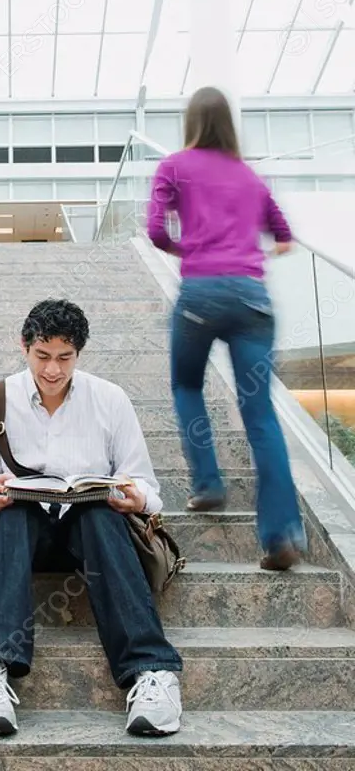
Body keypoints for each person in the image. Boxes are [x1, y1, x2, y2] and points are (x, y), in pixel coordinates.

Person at [0, 298, 183, 738]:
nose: (53, 370)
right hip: (24, 535)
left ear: (79, 354)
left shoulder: (110, 399)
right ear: (24, 347)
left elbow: (144, 484)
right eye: (42, 356)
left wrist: (133, 496)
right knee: (16, 511)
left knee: (99, 514)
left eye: (65, 358)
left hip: (93, 536)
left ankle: (152, 672)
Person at [147, 85, 306, 571]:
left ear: (191, 121)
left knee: (186, 383)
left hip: (201, 295)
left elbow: (155, 230)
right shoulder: (249, 177)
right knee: (260, 416)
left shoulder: (174, 165)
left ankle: (209, 483)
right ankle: (280, 534)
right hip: (253, 300)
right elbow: (283, 237)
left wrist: (190, 251)